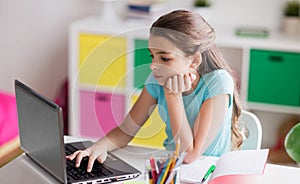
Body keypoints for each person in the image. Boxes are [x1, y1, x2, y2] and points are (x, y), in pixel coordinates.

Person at [66, 9, 243, 172]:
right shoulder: (157, 80)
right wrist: (99, 146)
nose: (153, 65)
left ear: (194, 61)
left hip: (207, 173)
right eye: (152, 56)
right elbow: (126, 130)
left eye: (165, 58)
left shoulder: (218, 82)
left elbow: (190, 154)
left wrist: (172, 95)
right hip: (173, 169)